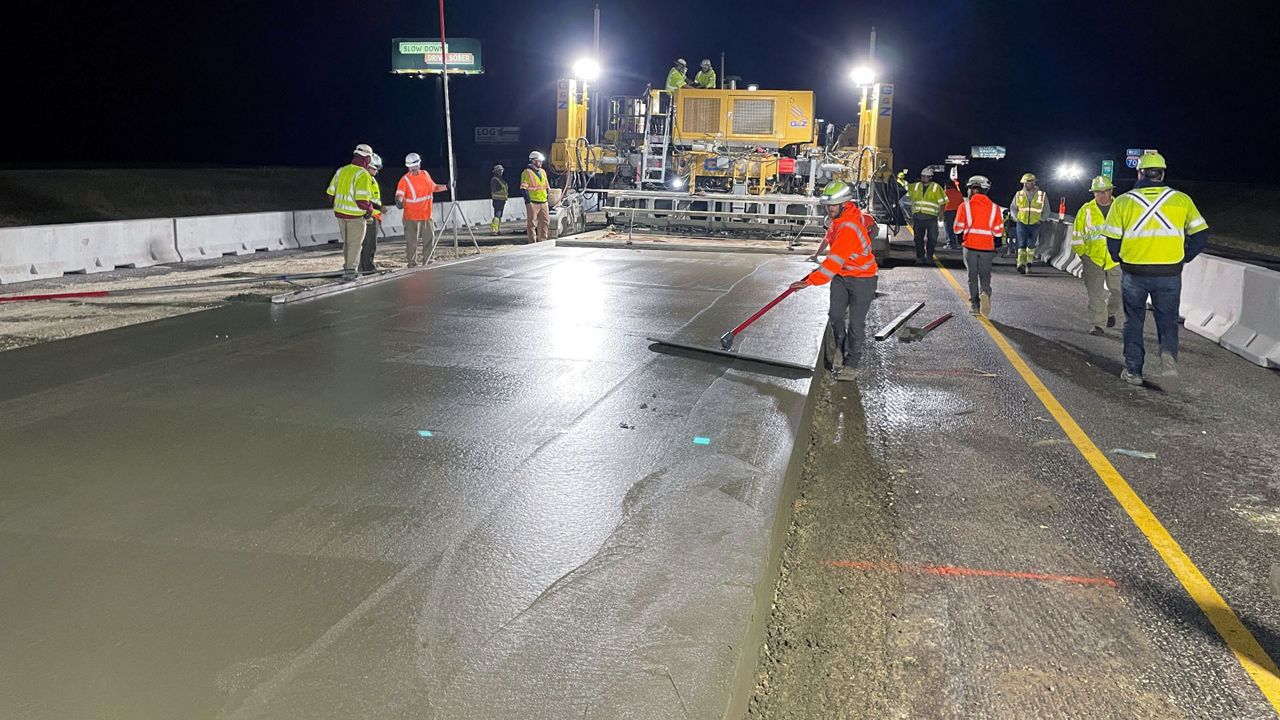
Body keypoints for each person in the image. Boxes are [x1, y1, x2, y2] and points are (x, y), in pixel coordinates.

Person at [1100, 152, 1208, 387]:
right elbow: (1201, 236)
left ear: (1139, 173)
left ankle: (1134, 371)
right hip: (1169, 273)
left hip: (1134, 273)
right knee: (1167, 320)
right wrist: (1183, 257)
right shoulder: (1181, 200)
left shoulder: (1124, 201)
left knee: (1134, 321)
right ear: (1162, 173)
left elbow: (1112, 241)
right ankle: (1168, 355)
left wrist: (1122, 259)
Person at [788, 181, 879, 382]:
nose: (830, 209)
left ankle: (852, 363)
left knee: (856, 323)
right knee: (835, 315)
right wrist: (816, 262)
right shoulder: (837, 222)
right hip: (842, 277)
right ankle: (840, 346)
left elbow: (834, 261)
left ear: (845, 204)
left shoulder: (849, 226)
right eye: (828, 205)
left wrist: (809, 281)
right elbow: (832, 253)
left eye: (834, 205)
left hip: (863, 279)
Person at [1072, 175, 1122, 336]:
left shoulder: (1121, 207)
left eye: (1105, 191)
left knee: (1117, 290)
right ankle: (1098, 324)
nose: (1102, 195)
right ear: (1093, 193)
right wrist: (1083, 255)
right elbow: (1077, 234)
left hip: (1116, 258)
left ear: (1111, 191)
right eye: (1097, 192)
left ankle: (1110, 312)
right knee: (1095, 293)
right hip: (1092, 258)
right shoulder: (1086, 210)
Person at [952, 175, 1004, 317]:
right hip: (987, 248)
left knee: (972, 276)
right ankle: (985, 293)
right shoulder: (995, 208)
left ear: (973, 189)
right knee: (985, 275)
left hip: (970, 247)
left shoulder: (965, 206)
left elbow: (957, 228)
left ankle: (975, 305)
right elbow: (998, 231)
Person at [326, 143, 376, 280]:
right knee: (355, 244)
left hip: (340, 214)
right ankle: (350, 271)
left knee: (347, 242)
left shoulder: (341, 171)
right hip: (355, 216)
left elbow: (330, 193)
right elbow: (361, 200)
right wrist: (369, 210)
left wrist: (340, 206)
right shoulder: (363, 174)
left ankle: (347, 266)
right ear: (367, 158)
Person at [395, 152, 447, 267]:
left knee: (429, 240)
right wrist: (398, 201)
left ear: (419, 164)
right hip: (411, 218)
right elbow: (400, 194)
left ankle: (428, 261)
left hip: (426, 216)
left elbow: (434, 188)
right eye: (410, 167)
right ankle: (412, 263)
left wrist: (447, 187)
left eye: (414, 166)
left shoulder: (425, 175)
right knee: (412, 243)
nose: (412, 169)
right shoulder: (405, 180)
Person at [907, 168, 947, 263]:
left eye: (926, 176)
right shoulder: (915, 186)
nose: (924, 178)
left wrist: (941, 214)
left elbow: (943, 202)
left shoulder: (936, 187)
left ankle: (929, 256)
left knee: (932, 238)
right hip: (918, 217)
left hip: (931, 218)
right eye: (923, 176)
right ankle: (920, 257)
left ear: (930, 177)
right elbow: (904, 188)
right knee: (918, 239)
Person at [1011, 172, 1046, 274]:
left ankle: (1029, 262)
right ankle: (1021, 264)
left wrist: (1041, 219)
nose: (1025, 185)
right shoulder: (1019, 194)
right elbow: (1013, 207)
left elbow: (1046, 209)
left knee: (1031, 244)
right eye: (1024, 183)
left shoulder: (1041, 195)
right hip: (1021, 222)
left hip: (1035, 223)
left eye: (1028, 183)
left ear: (1033, 183)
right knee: (1022, 243)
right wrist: (1016, 217)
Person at [358, 154, 386, 273]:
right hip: (370, 215)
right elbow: (366, 199)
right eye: (375, 168)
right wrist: (379, 207)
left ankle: (363, 266)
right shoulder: (365, 179)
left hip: (374, 215)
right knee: (369, 244)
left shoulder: (371, 179)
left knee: (368, 243)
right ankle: (368, 268)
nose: (376, 171)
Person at [522, 150, 551, 243]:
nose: (541, 163)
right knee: (532, 224)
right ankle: (532, 242)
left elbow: (546, 186)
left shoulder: (543, 172)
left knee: (545, 222)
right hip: (533, 202)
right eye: (539, 161)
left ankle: (543, 241)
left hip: (543, 201)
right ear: (533, 161)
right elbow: (524, 189)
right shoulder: (527, 172)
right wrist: (528, 202)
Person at [943, 182, 964, 249]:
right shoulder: (959, 193)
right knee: (956, 228)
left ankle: (950, 243)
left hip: (948, 212)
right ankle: (957, 243)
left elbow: (941, 203)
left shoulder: (945, 193)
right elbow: (962, 203)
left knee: (948, 228)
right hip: (957, 212)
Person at [490, 164, 508, 235]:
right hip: (497, 200)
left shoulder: (500, 179)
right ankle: (494, 230)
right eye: (500, 171)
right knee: (497, 215)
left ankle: (497, 229)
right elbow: (495, 189)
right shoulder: (495, 179)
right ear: (496, 171)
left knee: (499, 216)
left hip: (502, 200)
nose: (501, 172)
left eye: (502, 170)